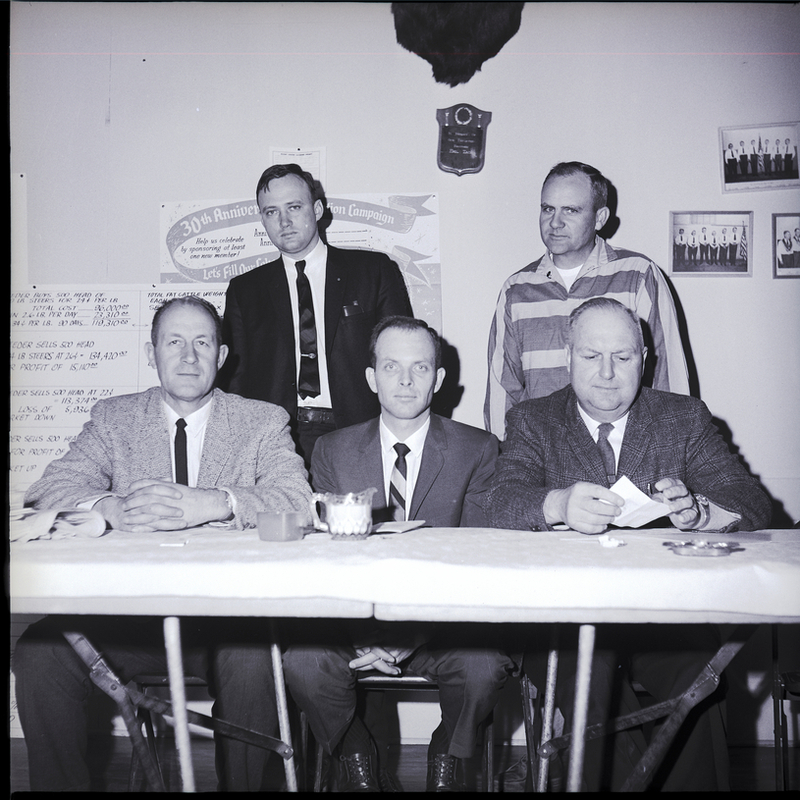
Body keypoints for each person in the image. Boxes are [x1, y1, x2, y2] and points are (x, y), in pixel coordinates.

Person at [13, 296, 312, 792]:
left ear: (222, 355)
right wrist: (108, 508)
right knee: (41, 651)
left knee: (254, 658)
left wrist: (216, 503)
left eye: (202, 343)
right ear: (151, 353)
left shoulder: (261, 421)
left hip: (228, 622)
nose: (188, 357)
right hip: (131, 620)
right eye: (174, 342)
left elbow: (298, 502)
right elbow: (46, 492)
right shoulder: (115, 419)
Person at [484, 297, 771, 791]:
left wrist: (700, 511)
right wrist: (557, 504)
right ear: (568, 357)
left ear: (644, 359)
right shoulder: (533, 420)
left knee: (700, 681)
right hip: (566, 619)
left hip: (665, 615)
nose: (607, 373)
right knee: (588, 684)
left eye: (622, 357)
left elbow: (752, 503)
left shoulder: (683, 418)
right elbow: (497, 503)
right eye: (591, 356)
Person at [283, 316, 515, 792]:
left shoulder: (477, 449)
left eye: (420, 367)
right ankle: (357, 756)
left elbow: (476, 560)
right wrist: (361, 633)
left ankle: (447, 756)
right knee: (302, 662)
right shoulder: (332, 450)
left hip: (443, 627)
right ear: (371, 378)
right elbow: (325, 559)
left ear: (439, 379)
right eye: (391, 367)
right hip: (353, 624)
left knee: (483, 666)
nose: (405, 380)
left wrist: (414, 633)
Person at [221, 163, 413, 469]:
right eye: (271, 212)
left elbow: (404, 357)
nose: (284, 221)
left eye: (294, 207)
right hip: (276, 441)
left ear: (318, 209)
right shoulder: (244, 290)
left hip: (358, 432)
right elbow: (235, 381)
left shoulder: (373, 272)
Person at [485, 161, 689, 439]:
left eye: (571, 210)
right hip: (544, 450)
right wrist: (506, 455)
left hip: (626, 447)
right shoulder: (517, 289)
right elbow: (502, 390)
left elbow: (669, 377)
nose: (555, 222)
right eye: (548, 209)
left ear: (600, 218)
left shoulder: (638, 275)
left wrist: (672, 449)